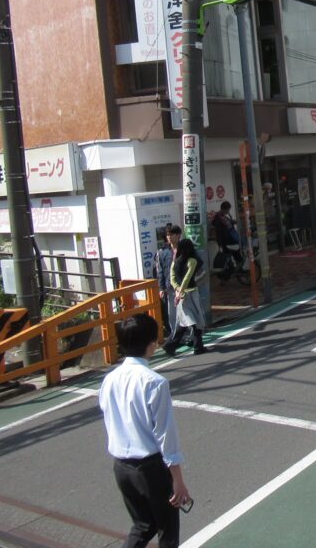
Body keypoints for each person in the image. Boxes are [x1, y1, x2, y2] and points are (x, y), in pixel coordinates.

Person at [99, 313, 191, 548]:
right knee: (167, 532)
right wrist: (178, 480)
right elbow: (166, 435)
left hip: (121, 466)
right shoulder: (154, 382)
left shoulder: (109, 379)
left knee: (142, 525)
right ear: (152, 344)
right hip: (150, 468)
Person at [162, 238, 207, 356]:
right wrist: (182, 290)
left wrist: (178, 290)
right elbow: (188, 278)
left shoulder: (174, 262)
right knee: (196, 320)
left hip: (180, 295)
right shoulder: (192, 261)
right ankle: (196, 347)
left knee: (185, 322)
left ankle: (171, 346)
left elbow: (172, 279)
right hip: (191, 293)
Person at [156, 225, 182, 336]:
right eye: (167, 235)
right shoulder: (163, 252)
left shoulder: (184, 248)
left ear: (178, 235)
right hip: (170, 286)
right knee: (172, 312)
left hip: (183, 286)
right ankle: (175, 333)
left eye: (171, 234)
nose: (169, 237)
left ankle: (190, 333)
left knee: (186, 311)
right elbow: (160, 271)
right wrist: (161, 288)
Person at [211, 201, 242, 273]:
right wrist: (220, 244)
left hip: (229, 239)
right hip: (225, 241)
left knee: (234, 254)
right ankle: (230, 273)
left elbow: (227, 224)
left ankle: (234, 270)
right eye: (228, 210)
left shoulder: (223, 216)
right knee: (229, 256)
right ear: (224, 209)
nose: (228, 211)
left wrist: (232, 222)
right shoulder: (218, 218)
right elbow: (219, 232)